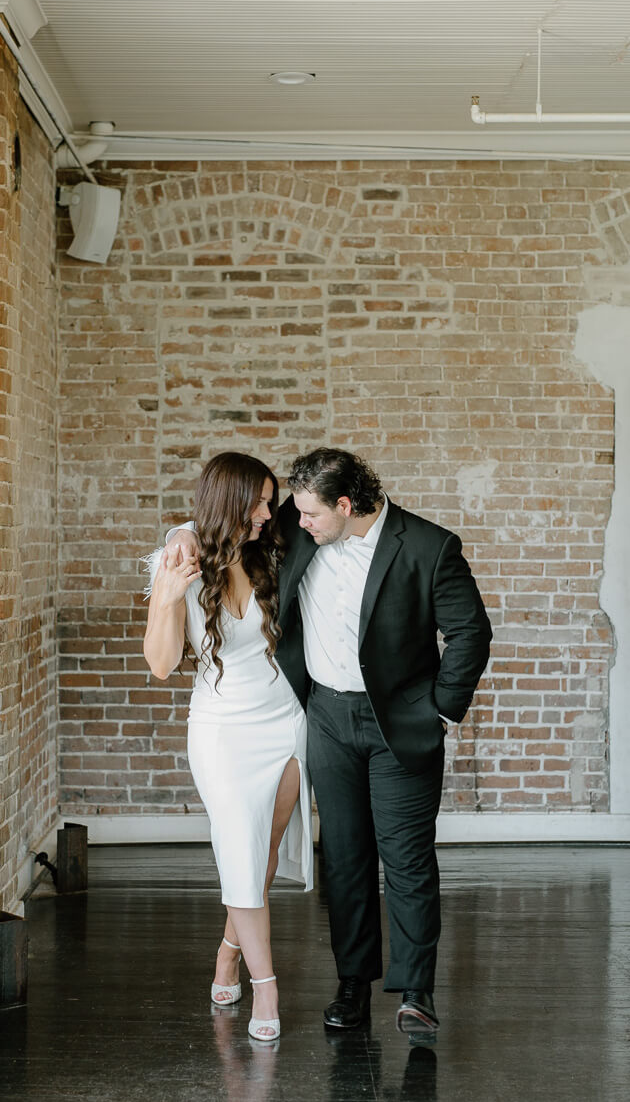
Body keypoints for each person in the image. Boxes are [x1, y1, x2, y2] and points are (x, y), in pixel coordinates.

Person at [165, 447, 491, 1043]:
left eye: (309, 513)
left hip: (401, 723)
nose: (293, 519)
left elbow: (470, 632)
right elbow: (221, 518)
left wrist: (439, 711)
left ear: (344, 506)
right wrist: (181, 537)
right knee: (343, 858)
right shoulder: (299, 520)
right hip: (324, 719)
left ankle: (416, 992)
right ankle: (352, 983)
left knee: (407, 858)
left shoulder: (428, 546)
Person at [143, 452, 313, 1043]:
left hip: (286, 722)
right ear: (228, 503)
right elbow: (162, 665)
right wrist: (167, 594)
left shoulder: (268, 549)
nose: (270, 513)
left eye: (271, 500)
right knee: (240, 853)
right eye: (259, 502)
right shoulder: (179, 564)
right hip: (222, 733)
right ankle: (266, 986)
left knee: (261, 853)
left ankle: (227, 950)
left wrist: (187, 531)